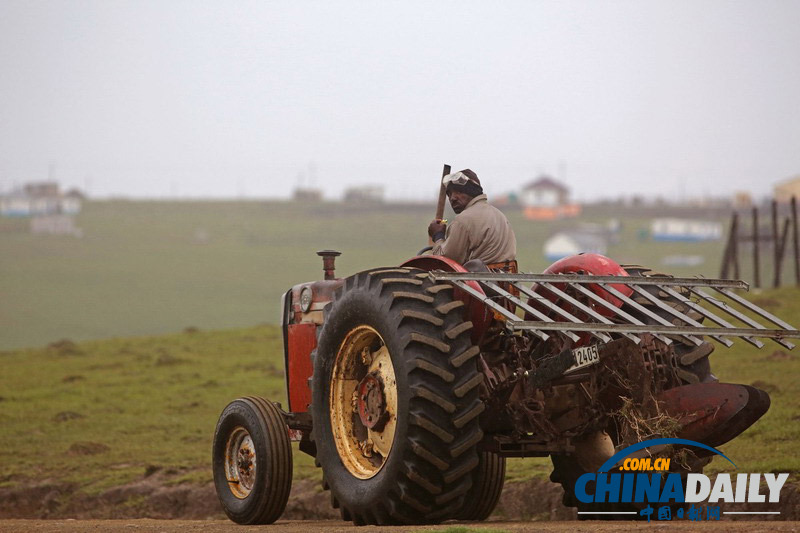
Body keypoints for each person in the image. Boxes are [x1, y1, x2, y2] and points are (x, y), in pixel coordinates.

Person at [427, 169, 517, 271]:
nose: (453, 198)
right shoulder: (500, 215)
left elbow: (446, 261)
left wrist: (438, 236)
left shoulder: (463, 220)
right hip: (506, 277)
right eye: (449, 194)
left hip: (481, 278)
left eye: (459, 191)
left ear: (472, 191)